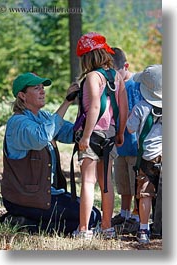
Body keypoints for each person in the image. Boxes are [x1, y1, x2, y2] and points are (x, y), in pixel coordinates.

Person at [0, 72, 101, 236]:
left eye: (42, 87)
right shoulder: (17, 123)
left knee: (92, 214)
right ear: (22, 96)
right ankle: (24, 224)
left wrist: (87, 106)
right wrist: (67, 102)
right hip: (23, 198)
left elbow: (71, 133)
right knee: (89, 218)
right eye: (36, 88)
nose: (42, 91)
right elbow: (42, 137)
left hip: (43, 195)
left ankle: (24, 221)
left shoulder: (43, 116)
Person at [72, 32, 128, 239]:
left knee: (88, 182)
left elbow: (95, 106)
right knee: (107, 182)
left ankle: (84, 229)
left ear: (86, 57)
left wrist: (85, 137)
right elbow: (124, 108)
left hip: (92, 134)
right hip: (110, 134)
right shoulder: (117, 76)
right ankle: (107, 227)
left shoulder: (92, 77)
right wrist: (120, 132)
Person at [127, 64, 162, 244]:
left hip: (147, 158)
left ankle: (143, 229)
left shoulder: (141, 107)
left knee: (145, 194)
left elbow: (130, 128)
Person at [111, 48, 143, 232]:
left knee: (136, 182)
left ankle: (137, 215)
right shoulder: (113, 86)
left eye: (117, 72)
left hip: (134, 145)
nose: (114, 77)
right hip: (119, 146)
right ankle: (124, 213)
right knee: (123, 183)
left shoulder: (136, 84)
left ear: (126, 66)